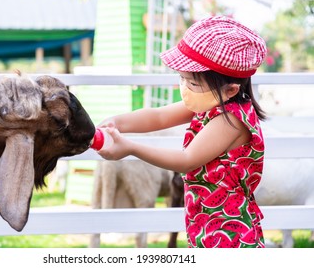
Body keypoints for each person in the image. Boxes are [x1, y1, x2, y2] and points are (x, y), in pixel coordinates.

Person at [97, 15, 267, 248]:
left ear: (230, 90)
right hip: (206, 225)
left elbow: (186, 160)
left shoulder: (230, 120)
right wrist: (116, 122)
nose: (185, 89)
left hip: (229, 232)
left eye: (193, 83)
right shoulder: (210, 101)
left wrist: (131, 148)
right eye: (182, 79)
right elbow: (158, 116)